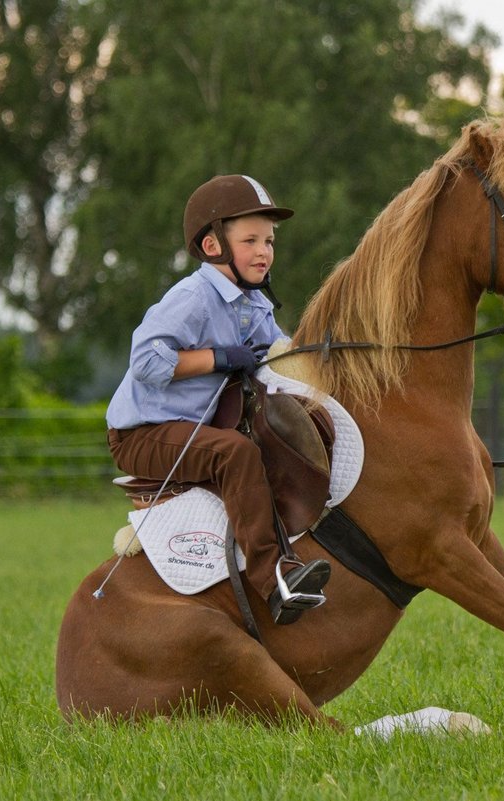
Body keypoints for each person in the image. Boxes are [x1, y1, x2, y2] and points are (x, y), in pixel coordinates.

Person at [105, 174, 331, 625]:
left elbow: (280, 361)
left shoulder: (255, 304)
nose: (264, 251)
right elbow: (146, 362)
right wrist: (217, 358)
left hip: (193, 429)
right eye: (250, 240)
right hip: (142, 434)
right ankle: (275, 580)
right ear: (213, 247)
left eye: (269, 241)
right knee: (235, 453)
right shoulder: (193, 297)